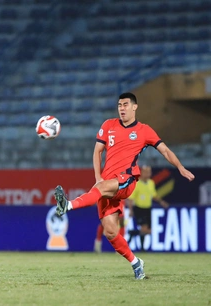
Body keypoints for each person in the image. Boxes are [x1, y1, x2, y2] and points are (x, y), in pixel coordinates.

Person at [54, 92, 195, 280]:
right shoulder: (108, 125)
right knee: (110, 231)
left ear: (134, 107)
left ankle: (68, 205)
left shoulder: (144, 131)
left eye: (126, 104)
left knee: (102, 189)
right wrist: (98, 177)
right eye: (119, 105)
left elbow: (165, 150)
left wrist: (180, 167)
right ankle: (136, 263)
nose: (122, 108)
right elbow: (97, 151)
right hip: (107, 183)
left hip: (126, 180)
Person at [126, 165, 169, 251]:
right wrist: (130, 210)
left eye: (150, 172)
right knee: (144, 229)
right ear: (142, 172)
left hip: (148, 209)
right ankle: (142, 248)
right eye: (147, 172)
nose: (149, 173)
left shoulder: (151, 183)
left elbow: (154, 195)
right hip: (139, 208)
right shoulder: (137, 183)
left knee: (148, 231)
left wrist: (161, 202)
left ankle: (132, 233)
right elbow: (131, 198)